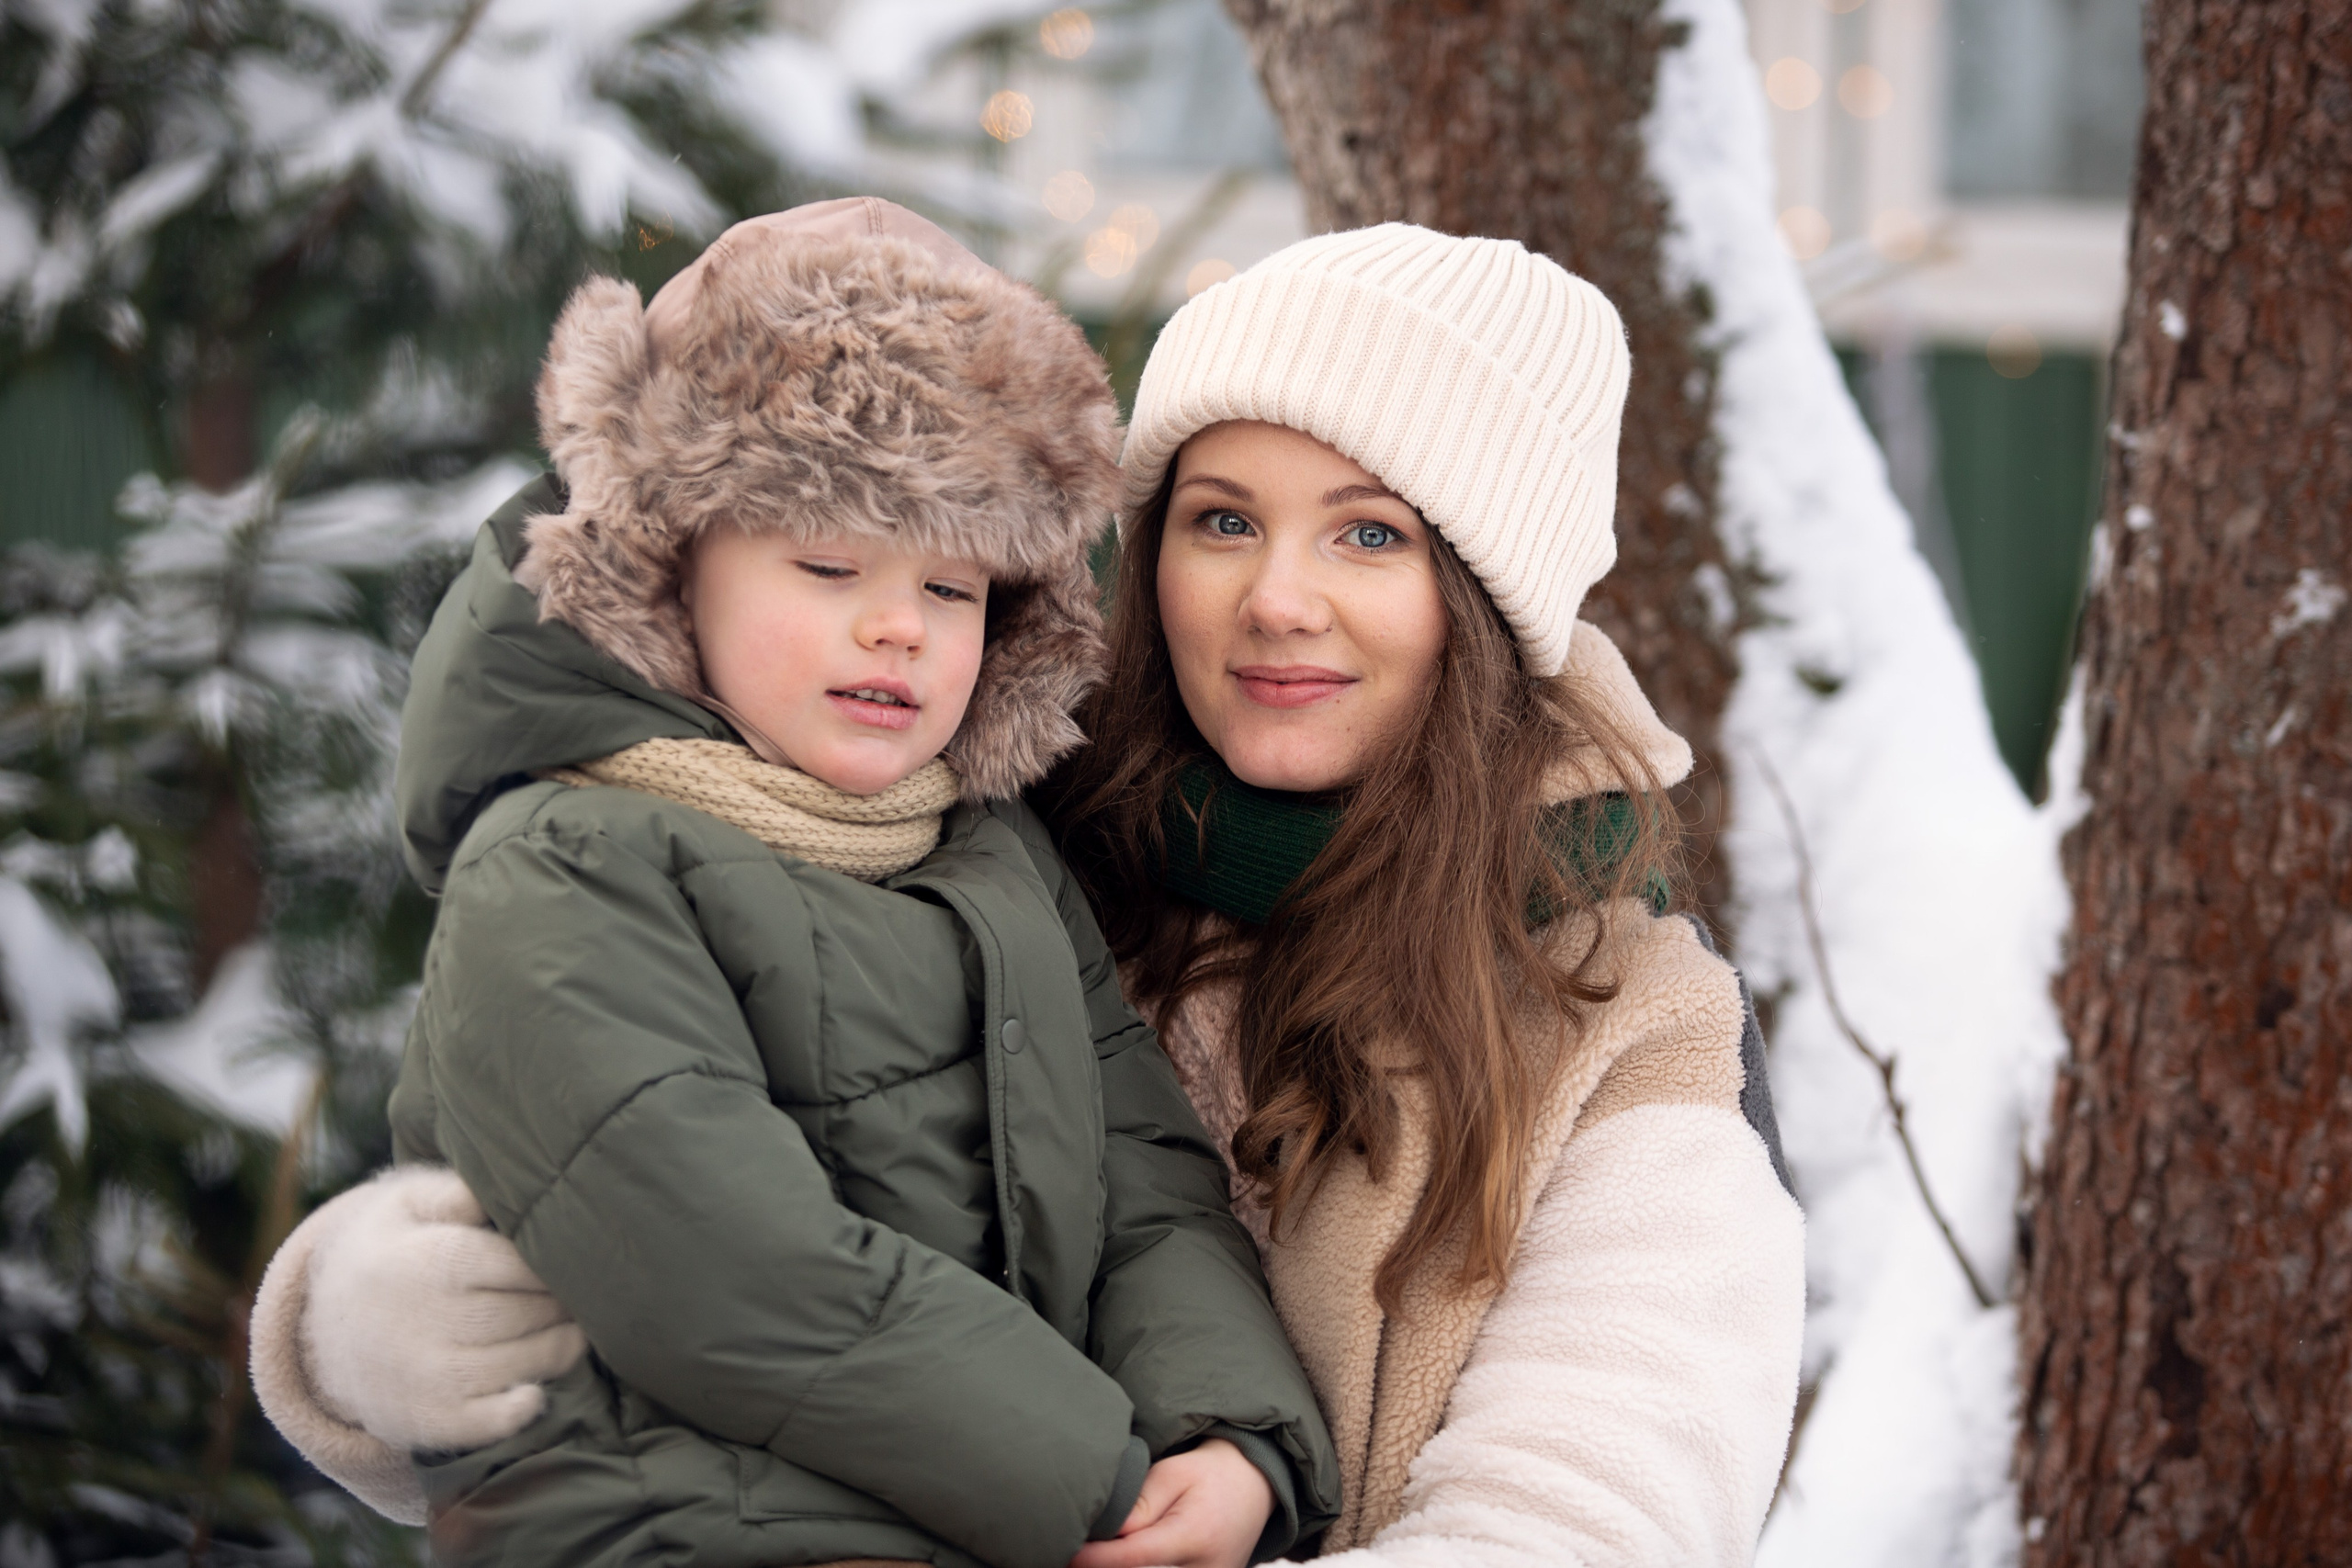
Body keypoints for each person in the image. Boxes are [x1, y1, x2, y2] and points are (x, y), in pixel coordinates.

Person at [261, 221, 1806, 1566]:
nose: (1278, 599)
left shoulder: (1621, 1028)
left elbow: (1573, 1530)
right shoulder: (979, 839)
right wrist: (362, 1339)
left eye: (1369, 534)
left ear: (1484, 597)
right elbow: (677, 1241)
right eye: (1222, 519)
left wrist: (1209, 1468)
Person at [248, 197, 1337, 1568]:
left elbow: (1149, 1185)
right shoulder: (568, 865)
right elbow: (728, 1273)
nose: (897, 626)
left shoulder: (990, 856)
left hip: (993, 1512)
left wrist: (1228, 1440)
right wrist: (1102, 1480)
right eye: (828, 563)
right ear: (667, 568)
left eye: (952, 588)